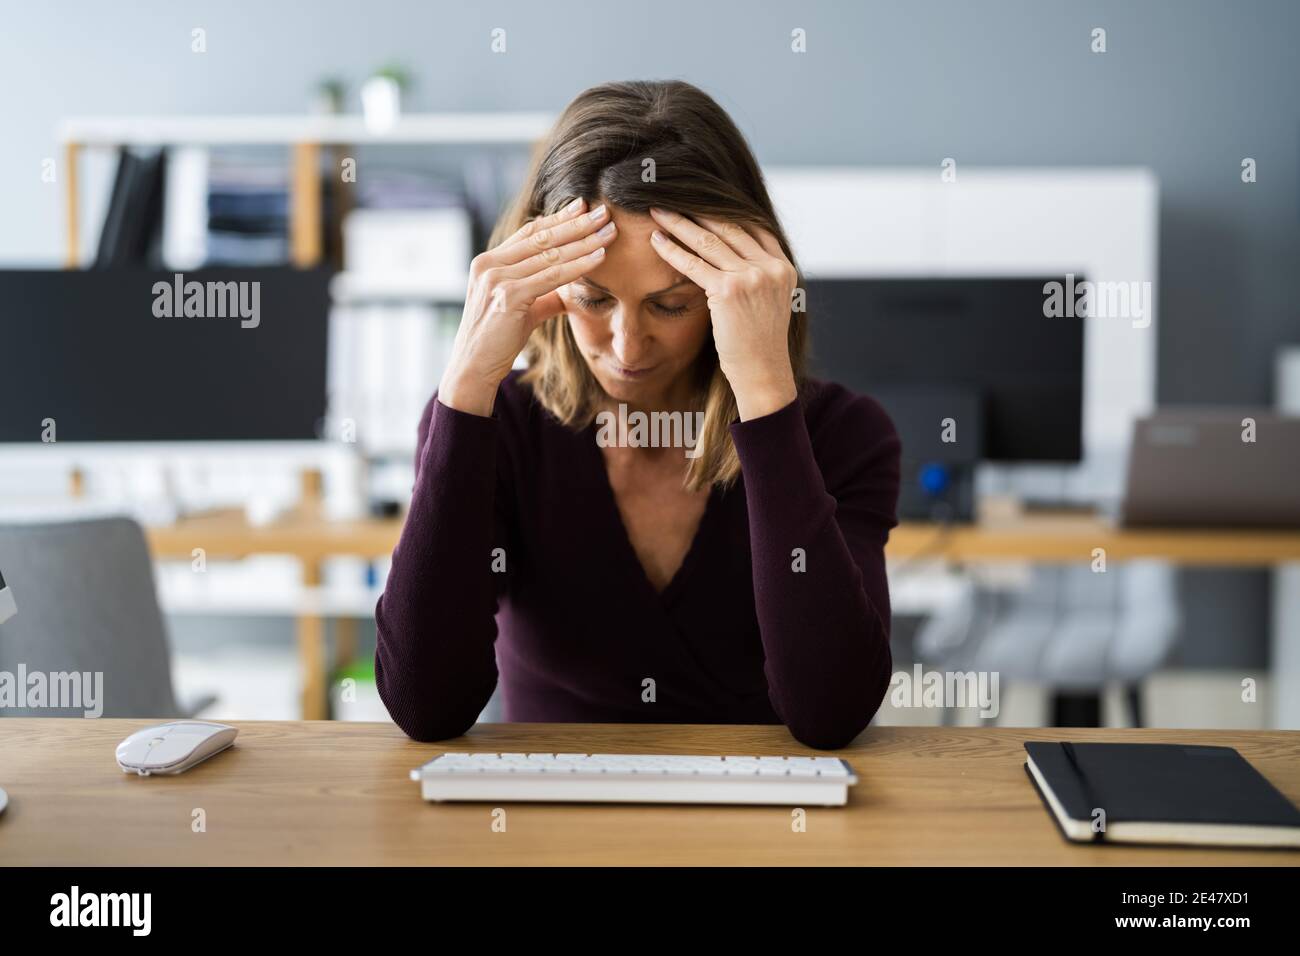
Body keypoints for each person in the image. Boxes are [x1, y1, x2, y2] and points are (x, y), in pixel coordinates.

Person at [375, 79, 900, 750]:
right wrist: (468, 382)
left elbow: (832, 713)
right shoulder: (498, 426)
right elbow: (426, 704)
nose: (626, 347)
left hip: (766, 834)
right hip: (546, 834)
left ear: (738, 285)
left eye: (671, 305)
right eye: (593, 299)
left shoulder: (842, 437)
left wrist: (766, 394)